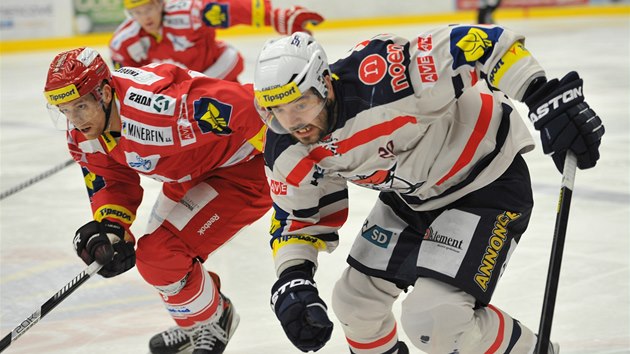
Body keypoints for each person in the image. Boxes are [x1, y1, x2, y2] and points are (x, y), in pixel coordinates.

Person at [252, 28, 603, 354]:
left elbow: (482, 43)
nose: (296, 122)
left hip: (485, 181)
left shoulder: (386, 79)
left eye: (302, 104)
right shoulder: (287, 146)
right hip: (412, 196)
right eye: (278, 111)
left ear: (325, 84)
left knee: (435, 321)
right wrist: (293, 279)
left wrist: (544, 97)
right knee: (356, 306)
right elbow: (299, 219)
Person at [43, 47, 272, 354]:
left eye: (80, 106)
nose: (74, 120)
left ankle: (216, 320)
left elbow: (248, 106)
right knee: (159, 265)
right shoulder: (85, 132)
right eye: (65, 111)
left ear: (106, 93)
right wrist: (112, 225)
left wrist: (292, 165)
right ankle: (196, 324)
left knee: (161, 257)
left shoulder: (157, 110)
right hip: (189, 172)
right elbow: (112, 179)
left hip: (242, 169)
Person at [110, 0, 324, 82]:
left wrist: (274, 16)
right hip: (184, 89)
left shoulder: (188, 13)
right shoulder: (124, 42)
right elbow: (127, 80)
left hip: (219, 72)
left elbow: (231, 11)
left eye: (148, 9)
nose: (145, 17)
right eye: (137, 12)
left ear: (160, 4)